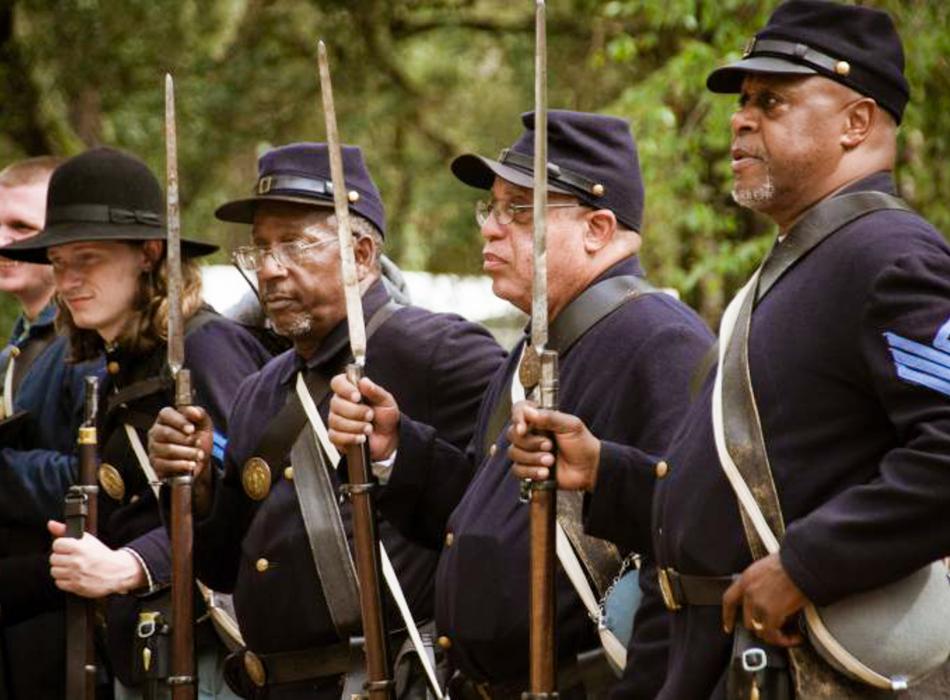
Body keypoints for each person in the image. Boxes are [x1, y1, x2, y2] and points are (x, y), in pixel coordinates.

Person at [510, 2, 950, 698]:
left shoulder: (890, 256)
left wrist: (808, 565)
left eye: (772, 100)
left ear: (856, 123)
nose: (741, 119)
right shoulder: (799, 266)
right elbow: (744, 499)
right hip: (716, 661)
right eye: (743, 102)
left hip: (806, 667)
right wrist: (608, 474)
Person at [327, 111, 713, 698]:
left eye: (518, 210)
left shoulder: (661, 342)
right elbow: (491, 513)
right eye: (492, 207)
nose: (489, 228)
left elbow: (691, 545)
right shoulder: (539, 344)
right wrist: (398, 449)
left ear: (598, 229)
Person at [146, 142, 505, 699]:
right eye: (259, 249)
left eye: (292, 244)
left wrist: (396, 455)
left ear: (361, 255)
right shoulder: (259, 390)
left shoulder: (439, 351)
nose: (268, 269)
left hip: (386, 680)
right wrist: (196, 486)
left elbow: (496, 518)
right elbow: (221, 570)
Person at [0, 146, 273, 699]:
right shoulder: (120, 364)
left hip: (215, 658)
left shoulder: (206, 347)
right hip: (147, 653)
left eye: (88, 258)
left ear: (148, 254)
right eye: (58, 263)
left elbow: (251, 509)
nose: (68, 279)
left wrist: (131, 565)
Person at [0, 155, 97, 700]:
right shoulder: (17, 347)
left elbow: (93, 476)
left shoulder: (81, 344)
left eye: (20, 227)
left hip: (65, 612)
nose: (3, 241)